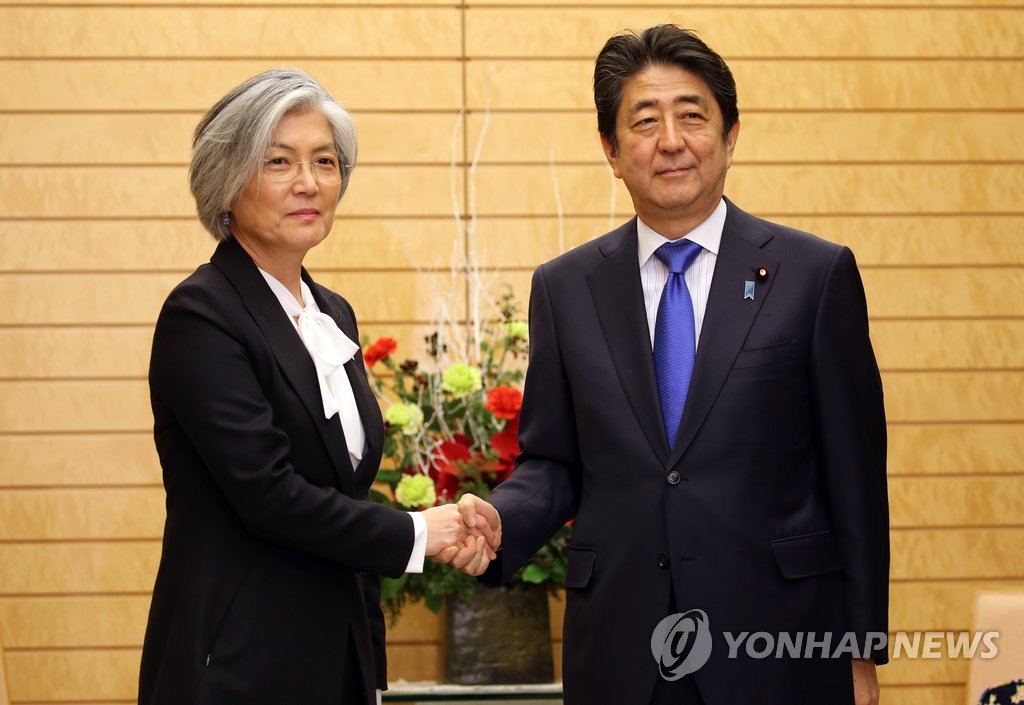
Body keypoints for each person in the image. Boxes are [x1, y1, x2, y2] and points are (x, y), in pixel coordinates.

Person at [458, 25, 889, 705]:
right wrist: (500, 519)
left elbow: (855, 477)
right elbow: (553, 462)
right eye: (644, 121)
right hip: (622, 649)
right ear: (611, 150)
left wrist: (860, 648)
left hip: (777, 645)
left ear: (730, 135)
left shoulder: (813, 275)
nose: (670, 140)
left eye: (692, 116)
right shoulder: (566, 288)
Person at [138, 68, 490, 705]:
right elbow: (268, 494)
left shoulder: (332, 313)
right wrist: (418, 533)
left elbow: (342, 486)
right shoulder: (202, 315)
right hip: (238, 666)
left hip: (338, 656)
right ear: (227, 181)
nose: (309, 182)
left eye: (324, 161)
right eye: (279, 161)